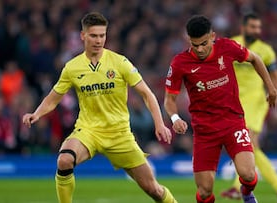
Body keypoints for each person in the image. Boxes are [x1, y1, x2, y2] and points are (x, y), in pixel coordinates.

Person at [22, 12, 177, 203]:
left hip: (119, 134)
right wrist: (36, 114)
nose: (98, 40)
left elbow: (147, 94)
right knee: (64, 160)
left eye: (102, 35)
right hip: (89, 131)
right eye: (94, 35)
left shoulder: (120, 62)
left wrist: (160, 124)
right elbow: (54, 98)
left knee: (154, 189)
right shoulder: (72, 67)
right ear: (83, 36)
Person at [164, 15, 277, 203]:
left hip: (233, 123)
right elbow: (169, 99)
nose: (199, 49)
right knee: (205, 191)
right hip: (205, 131)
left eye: (203, 43)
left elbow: (256, 59)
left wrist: (271, 88)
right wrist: (175, 118)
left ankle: (247, 193)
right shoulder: (180, 63)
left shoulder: (227, 47)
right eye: (195, 44)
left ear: (213, 36)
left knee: (248, 174)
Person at [220, 13, 277, 203]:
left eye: (258, 27)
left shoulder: (266, 50)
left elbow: (276, 75)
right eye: (253, 27)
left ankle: (242, 188)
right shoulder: (232, 44)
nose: (256, 31)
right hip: (235, 102)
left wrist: (273, 92)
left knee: (248, 142)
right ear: (243, 27)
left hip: (255, 102)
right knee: (249, 146)